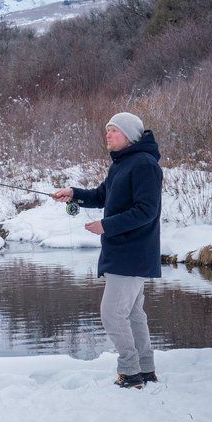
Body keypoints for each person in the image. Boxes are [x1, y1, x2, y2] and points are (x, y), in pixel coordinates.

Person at [51, 112, 163, 389]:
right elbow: (102, 196)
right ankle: (145, 370)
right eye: (107, 130)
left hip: (131, 252)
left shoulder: (145, 165)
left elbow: (147, 211)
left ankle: (130, 372)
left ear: (129, 136)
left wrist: (106, 225)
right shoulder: (122, 164)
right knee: (134, 314)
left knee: (112, 314)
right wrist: (73, 193)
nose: (108, 135)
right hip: (124, 252)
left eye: (113, 130)